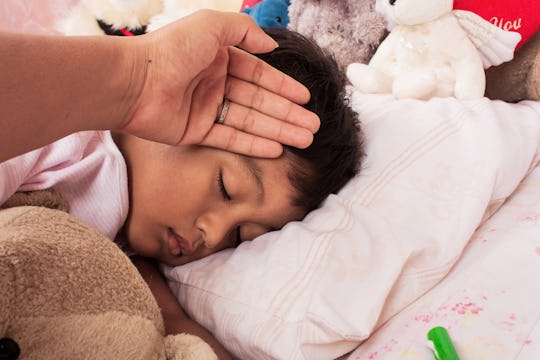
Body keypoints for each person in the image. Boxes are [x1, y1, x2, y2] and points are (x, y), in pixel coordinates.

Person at [0, 12, 363, 360]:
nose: (215, 233)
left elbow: (174, 327)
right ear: (191, 96)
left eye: (241, 236)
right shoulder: (64, 139)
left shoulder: (128, 248)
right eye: (226, 187)